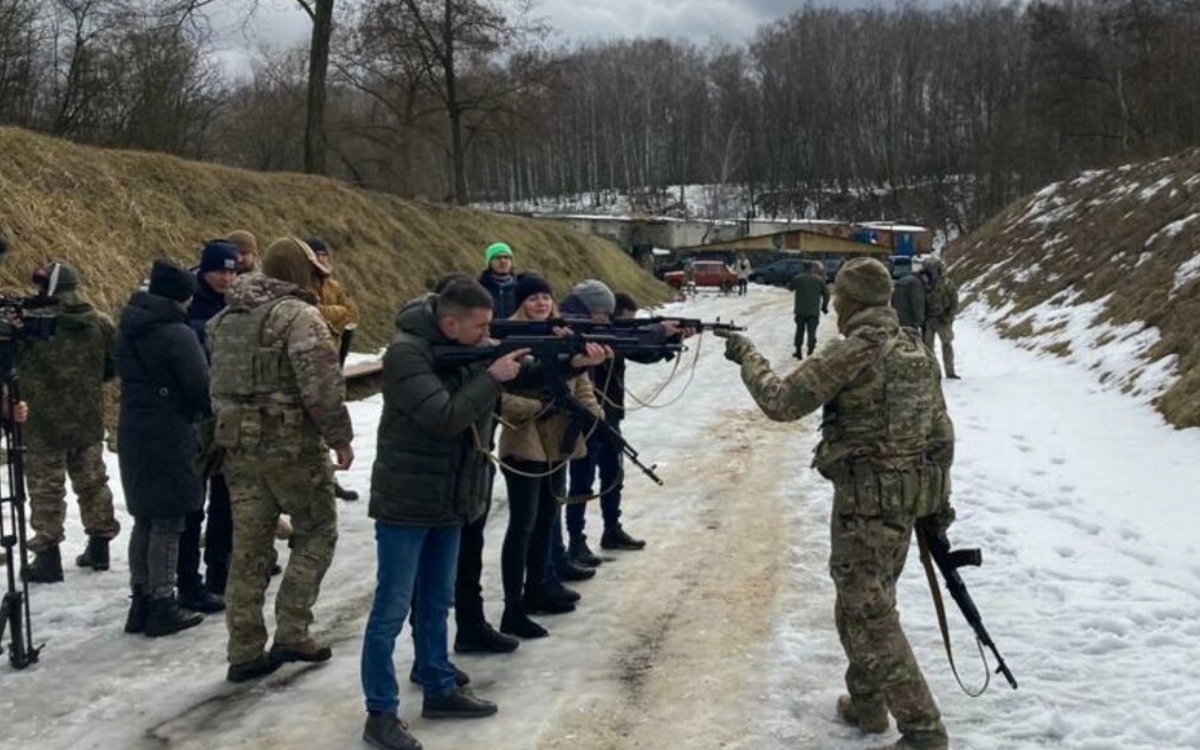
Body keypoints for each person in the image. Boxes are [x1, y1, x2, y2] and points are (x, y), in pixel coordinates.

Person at [718, 257, 955, 750]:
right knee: (862, 604)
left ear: (847, 302)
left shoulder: (856, 351)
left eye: (837, 298)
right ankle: (867, 704)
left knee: (870, 613)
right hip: (904, 506)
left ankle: (923, 730)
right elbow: (942, 434)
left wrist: (747, 356)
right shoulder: (916, 348)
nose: (833, 305)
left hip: (864, 509)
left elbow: (782, 402)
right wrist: (937, 506)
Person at [361, 278, 532, 750]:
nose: (486, 335)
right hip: (407, 498)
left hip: (450, 497)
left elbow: (496, 389)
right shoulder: (406, 354)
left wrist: (566, 359)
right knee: (391, 611)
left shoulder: (459, 346)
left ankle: (438, 685)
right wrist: (491, 376)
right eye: (479, 328)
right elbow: (445, 416)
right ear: (449, 322)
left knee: (438, 602)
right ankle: (380, 712)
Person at [207, 236, 354, 683]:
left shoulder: (224, 319)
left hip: (238, 446)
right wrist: (340, 438)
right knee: (317, 531)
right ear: (301, 273)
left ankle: (244, 648)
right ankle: (292, 630)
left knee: (249, 546)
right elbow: (322, 387)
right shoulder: (299, 316)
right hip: (292, 447)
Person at [497, 274, 607, 638]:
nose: (541, 304)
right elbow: (498, 397)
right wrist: (537, 408)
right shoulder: (506, 338)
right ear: (520, 303)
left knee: (547, 518)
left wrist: (594, 418)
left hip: (557, 443)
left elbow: (581, 384)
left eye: (546, 297)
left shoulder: (561, 333)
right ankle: (513, 607)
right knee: (523, 525)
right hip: (525, 442)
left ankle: (539, 586)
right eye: (533, 299)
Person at [117, 259, 213, 637]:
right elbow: (199, 386)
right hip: (170, 431)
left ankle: (139, 601)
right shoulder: (177, 333)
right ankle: (163, 602)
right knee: (170, 519)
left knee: (144, 517)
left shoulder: (127, 327)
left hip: (134, 428)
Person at [565, 286, 685, 564]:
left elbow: (641, 352)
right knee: (581, 481)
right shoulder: (591, 333)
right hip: (586, 416)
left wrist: (671, 340)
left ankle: (611, 528)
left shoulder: (612, 335)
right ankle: (575, 540)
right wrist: (660, 334)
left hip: (611, 414)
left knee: (613, 475)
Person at [20, 261, 120, 584]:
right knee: (93, 482)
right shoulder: (99, 322)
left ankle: (48, 558)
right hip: (87, 417)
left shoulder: (32, 324)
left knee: (46, 489)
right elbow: (111, 367)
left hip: (42, 423)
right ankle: (100, 547)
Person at [175, 239, 240, 613]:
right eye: (220, 271)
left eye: (232, 271)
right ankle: (189, 580)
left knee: (227, 498)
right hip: (198, 415)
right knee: (192, 503)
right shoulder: (189, 301)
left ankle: (220, 569)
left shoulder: (237, 300)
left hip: (226, 412)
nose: (226, 278)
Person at [308, 237, 361, 502]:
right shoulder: (302, 286)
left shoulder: (334, 285)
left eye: (324, 254)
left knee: (330, 422)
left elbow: (352, 314)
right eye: (316, 255)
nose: (322, 260)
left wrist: (329, 315)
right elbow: (310, 313)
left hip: (333, 358)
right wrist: (334, 315)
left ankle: (331, 476)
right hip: (309, 364)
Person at [920, 257, 959, 379]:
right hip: (928, 319)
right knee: (927, 347)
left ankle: (950, 371)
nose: (930, 272)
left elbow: (954, 302)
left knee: (946, 345)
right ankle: (932, 372)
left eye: (932, 269)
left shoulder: (947, 283)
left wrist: (949, 317)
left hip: (943, 319)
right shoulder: (923, 283)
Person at [787, 260, 830, 359]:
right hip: (813, 311)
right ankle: (810, 352)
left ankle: (798, 352)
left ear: (803, 268)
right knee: (812, 332)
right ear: (812, 268)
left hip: (800, 311)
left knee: (799, 331)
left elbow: (790, 288)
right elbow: (827, 294)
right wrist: (824, 307)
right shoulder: (819, 280)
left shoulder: (798, 278)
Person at [478, 242, 522, 319]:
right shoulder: (479, 288)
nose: (502, 261)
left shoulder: (521, 287)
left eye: (506, 257)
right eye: (497, 258)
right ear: (489, 263)